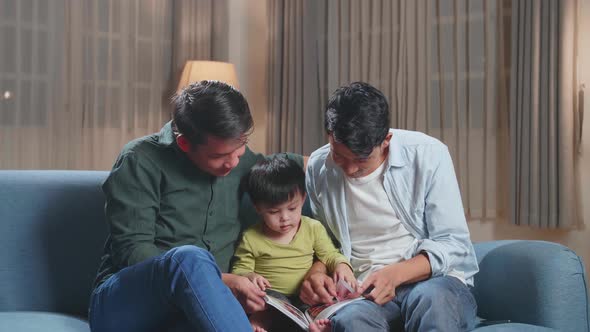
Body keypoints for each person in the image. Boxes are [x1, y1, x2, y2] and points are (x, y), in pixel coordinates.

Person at [89, 80, 304, 332]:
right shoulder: (140, 160)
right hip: (126, 305)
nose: (233, 162)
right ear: (184, 143)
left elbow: (311, 164)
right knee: (189, 257)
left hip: (202, 309)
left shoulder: (245, 163)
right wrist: (223, 281)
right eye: (219, 156)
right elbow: (133, 251)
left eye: (241, 147)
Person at [301, 82, 479, 331]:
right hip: (365, 293)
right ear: (329, 136)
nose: (350, 170)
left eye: (361, 159)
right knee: (351, 322)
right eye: (339, 155)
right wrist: (317, 273)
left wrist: (395, 274)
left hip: (434, 282)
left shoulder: (428, 155)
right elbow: (325, 242)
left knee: (433, 301)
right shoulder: (319, 168)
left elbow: (454, 243)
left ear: (386, 140)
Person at [231, 156, 355, 332]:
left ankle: (315, 324)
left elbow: (329, 255)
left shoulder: (312, 228)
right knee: (266, 302)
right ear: (258, 208)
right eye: (274, 212)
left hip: (304, 297)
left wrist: (341, 265)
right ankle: (261, 322)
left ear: (303, 199)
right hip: (273, 297)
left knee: (322, 299)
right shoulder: (251, 237)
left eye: (292, 208)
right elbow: (239, 271)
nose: (285, 218)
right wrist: (251, 277)